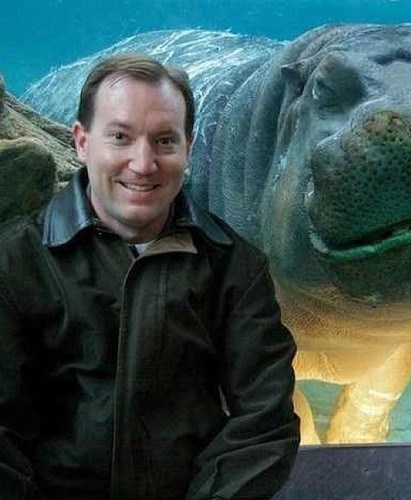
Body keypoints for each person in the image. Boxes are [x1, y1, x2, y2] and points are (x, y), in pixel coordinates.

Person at [0, 53, 300, 499]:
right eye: (120, 137)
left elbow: (264, 420)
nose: (143, 163)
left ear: (188, 147)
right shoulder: (16, 263)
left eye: (164, 141)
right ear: (81, 142)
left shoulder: (235, 268)